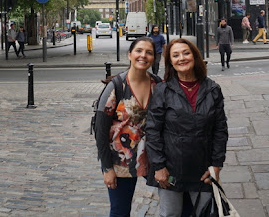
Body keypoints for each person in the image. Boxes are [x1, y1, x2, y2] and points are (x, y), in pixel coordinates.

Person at [146, 38, 228, 217]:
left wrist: (216, 165)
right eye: (175, 55)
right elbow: (152, 130)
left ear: (194, 56)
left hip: (202, 169)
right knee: (171, 214)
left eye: (186, 53)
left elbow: (220, 130)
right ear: (170, 62)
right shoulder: (163, 90)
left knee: (206, 213)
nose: (181, 58)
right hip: (170, 169)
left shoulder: (213, 89)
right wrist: (158, 166)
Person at [95, 37, 162, 217]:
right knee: (120, 211)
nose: (143, 55)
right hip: (121, 160)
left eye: (149, 52)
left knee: (171, 206)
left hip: (152, 157)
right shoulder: (116, 86)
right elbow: (100, 132)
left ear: (154, 58)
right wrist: (107, 169)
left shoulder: (158, 84)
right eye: (139, 51)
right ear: (130, 55)